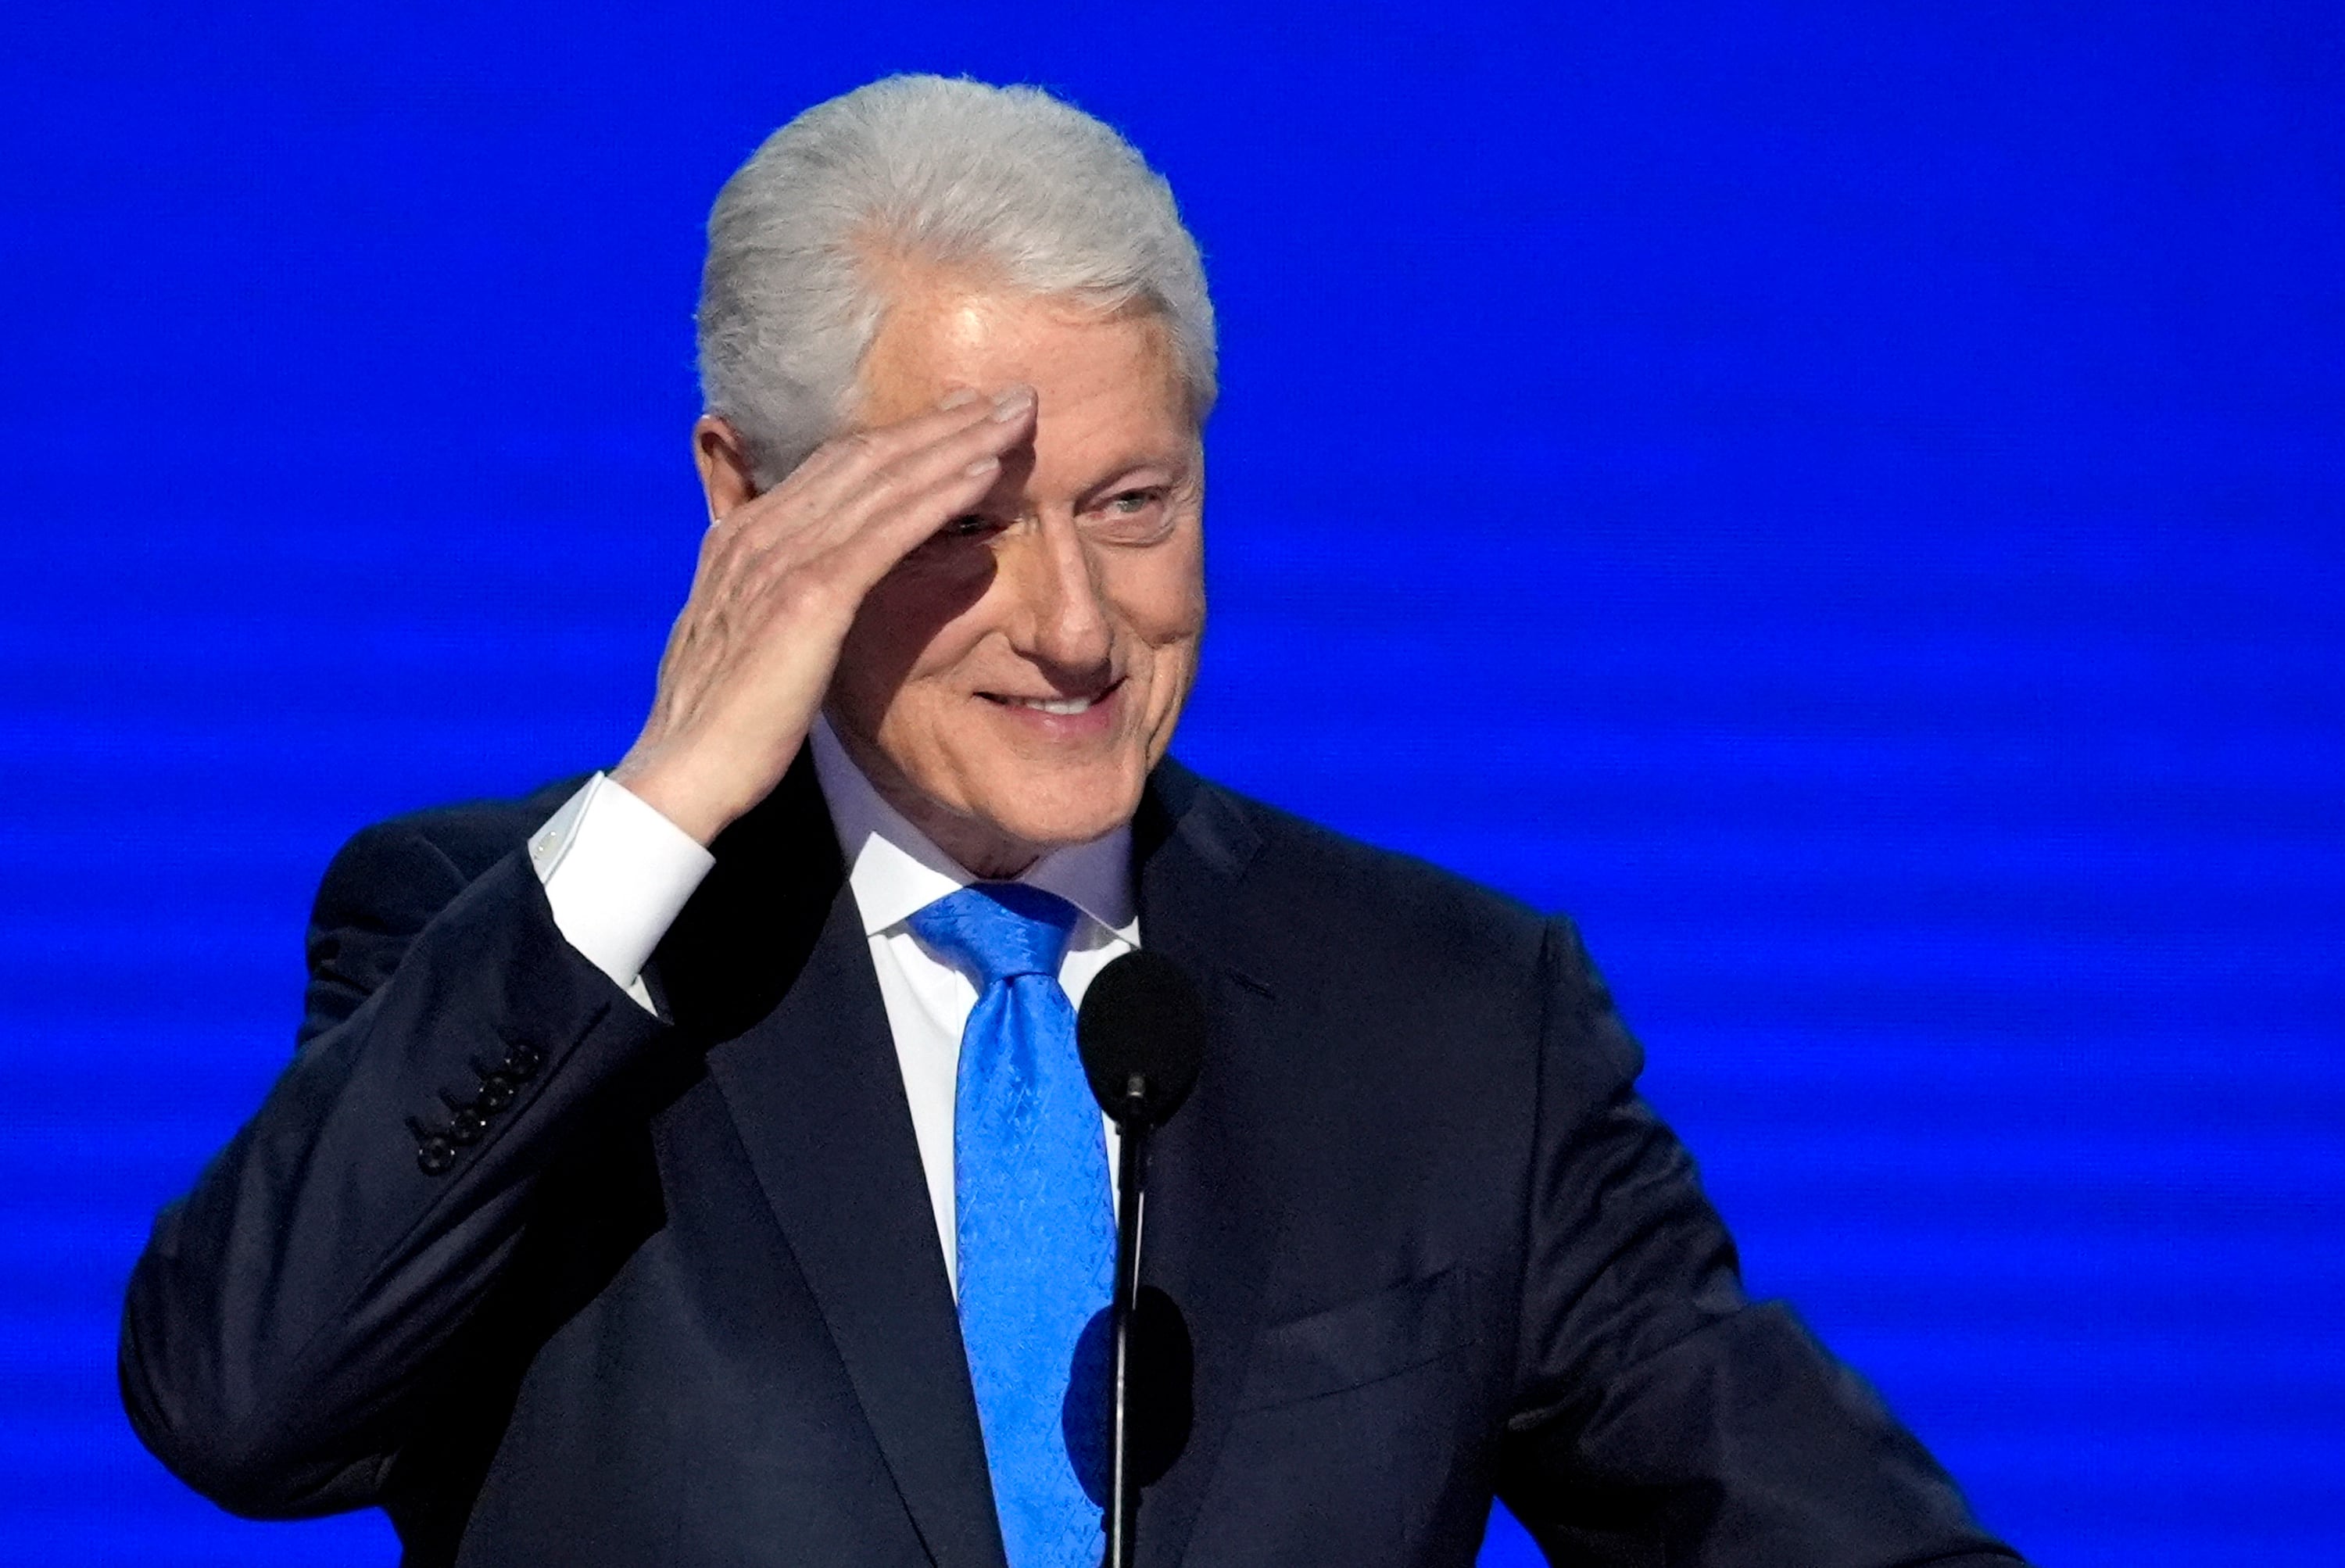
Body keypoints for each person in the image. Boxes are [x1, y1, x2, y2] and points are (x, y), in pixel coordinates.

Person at [120, 75, 2026, 1568]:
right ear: (749, 499)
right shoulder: (525, 940)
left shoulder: (1450, 1018)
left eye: (1133, 503)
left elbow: (1794, 1520)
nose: (1074, 625)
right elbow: (241, 1408)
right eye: (962, 520)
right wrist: (672, 798)